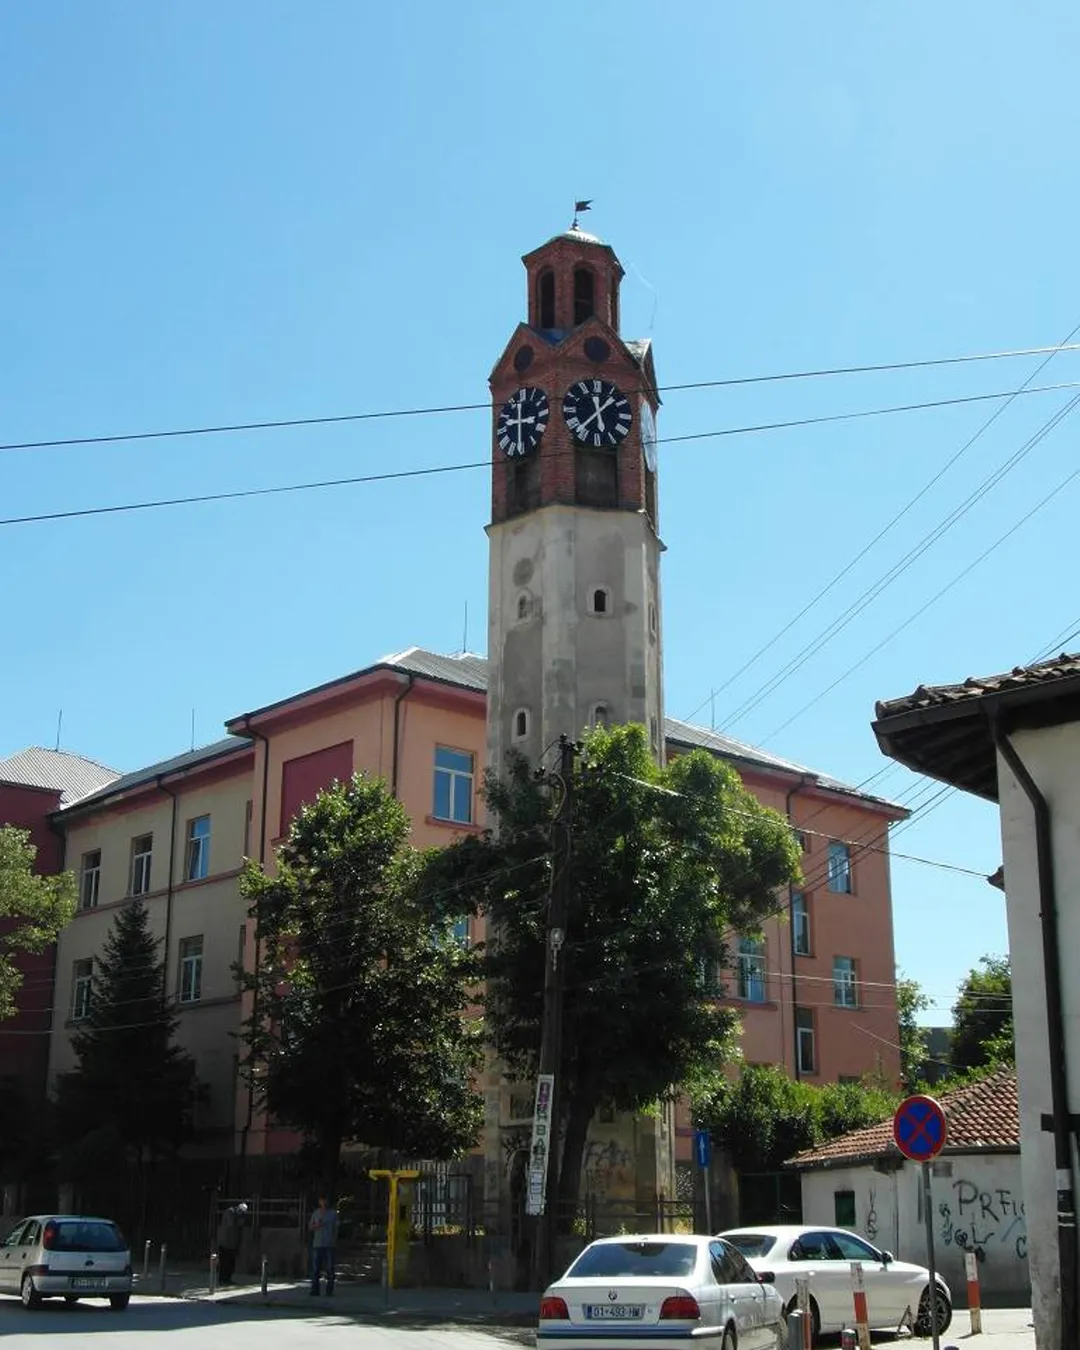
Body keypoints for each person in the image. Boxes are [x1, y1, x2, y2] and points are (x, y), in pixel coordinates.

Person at [308, 1195, 339, 1296]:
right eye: (322, 1200)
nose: (324, 1202)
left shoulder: (333, 1213)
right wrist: (316, 1225)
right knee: (315, 1269)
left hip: (329, 1245)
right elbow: (310, 1227)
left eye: (325, 1200)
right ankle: (315, 1290)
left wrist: (334, 1241)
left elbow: (336, 1229)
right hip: (317, 1244)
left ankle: (329, 1291)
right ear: (319, 1202)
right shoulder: (316, 1213)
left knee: (330, 1269)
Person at [216, 1201, 247, 1286]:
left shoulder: (237, 1215)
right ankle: (222, 1279)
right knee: (224, 1262)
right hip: (225, 1242)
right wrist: (238, 1219)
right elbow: (231, 1224)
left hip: (233, 1243)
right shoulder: (229, 1212)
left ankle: (228, 1279)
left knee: (231, 1263)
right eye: (240, 1211)